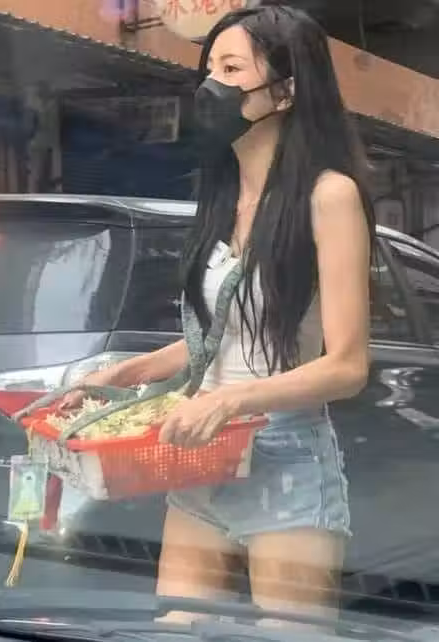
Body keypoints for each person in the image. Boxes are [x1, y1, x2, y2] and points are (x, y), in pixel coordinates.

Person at [63, 3, 374, 623]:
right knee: (176, 629)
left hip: (282, 456)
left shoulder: (329, 196)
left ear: (284, 91)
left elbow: (346, 366)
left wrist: (230, 401)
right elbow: (217, 339)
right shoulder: (223, 193)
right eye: (210, 69)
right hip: (199, 454)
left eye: (232, 70)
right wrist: (125, 374)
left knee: (291, 638)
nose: (211, 86)